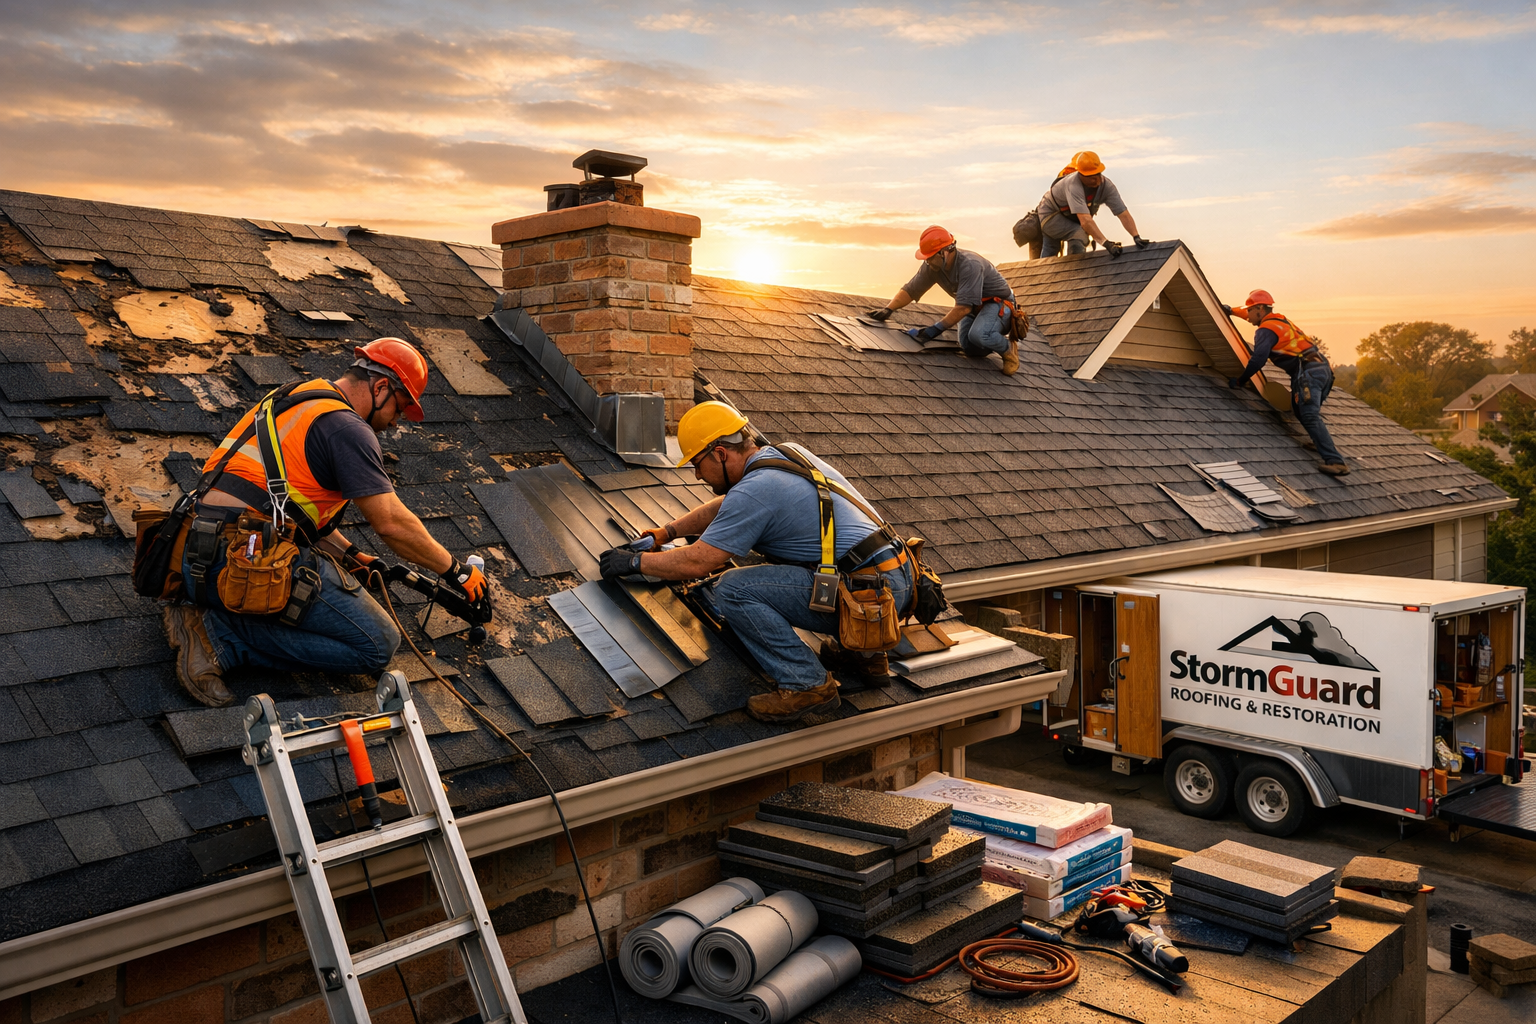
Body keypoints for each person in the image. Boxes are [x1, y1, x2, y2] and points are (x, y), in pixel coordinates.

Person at [161, 338, 489, 706]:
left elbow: (287, 507)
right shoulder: (347, 428)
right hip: (240, 564)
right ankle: (219, 636)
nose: (396, 422)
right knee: (377, 645)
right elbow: (392, 523)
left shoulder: (300, 395)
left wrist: (351, 555)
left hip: (195, 554)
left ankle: (212, 614)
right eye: (400, 407)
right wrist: (456, 571)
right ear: (381, 387)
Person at [598, 402, 914, 724]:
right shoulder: (786, 455)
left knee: (734, 589)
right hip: (895, 581)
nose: (696, 474)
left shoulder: (757, 490)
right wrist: (667, 533)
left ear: (720, 453)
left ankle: (807, 685)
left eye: (697, 463)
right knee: (822, 568)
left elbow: (697, 562)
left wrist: (636, 562)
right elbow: (731, 504)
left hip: (866, 598)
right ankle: (867, 657)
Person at [865, 226, 1021, 376]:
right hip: (975, 307)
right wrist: (889, 309)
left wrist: (934, 330)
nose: (928, 262)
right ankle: (989, 337)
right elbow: (911, 290)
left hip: (999, 305)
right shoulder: (932, 267)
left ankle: (1008, 350)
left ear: (944, 252)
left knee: (979, 335)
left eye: (930, 257)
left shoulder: (970, 265)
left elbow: (963, 308)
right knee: (968, 347)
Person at [1224, 290, 1348, 476]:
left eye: (1250, 310)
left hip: (1308, 373)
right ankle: (1318, 442)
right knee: (1299, 408)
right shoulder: (1279, 320)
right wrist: (1231, 311)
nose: (1247, 316)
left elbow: (1258, 359)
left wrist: (1241, 380)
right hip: (1323, 370)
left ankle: (1336, 462)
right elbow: (1247, 313)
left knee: (1308, 415)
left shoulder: (1265, 330)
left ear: (1259, 308)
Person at [1036, 151, 1151, 258]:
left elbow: (1123, 213)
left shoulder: (1106, 186)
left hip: (1070, 217)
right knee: (1079, 234)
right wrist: (1106, 244)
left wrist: (1136, 236)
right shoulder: (1073, 186)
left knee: (1049, 256)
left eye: (1098, 175)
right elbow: (1085, 221)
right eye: (1091, 177)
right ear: (1081, 175)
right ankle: (1074, 274)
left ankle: (1044, 275)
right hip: (1050, 216)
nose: (1097, 181)